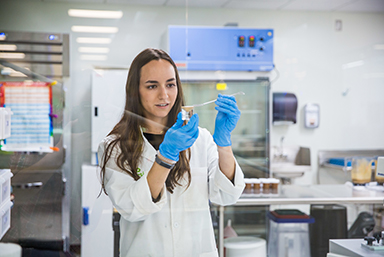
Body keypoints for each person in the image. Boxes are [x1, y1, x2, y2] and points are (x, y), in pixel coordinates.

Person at [98, 48, 245, 257]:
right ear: (135, 90)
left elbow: (227, 194)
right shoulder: (116, 146)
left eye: (170, 84)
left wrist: (223, 142)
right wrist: (166, 156)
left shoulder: (200, 140)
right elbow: (131, 208)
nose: (164, 95)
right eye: (152, 86)